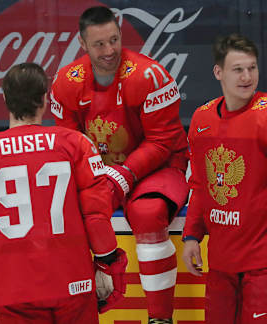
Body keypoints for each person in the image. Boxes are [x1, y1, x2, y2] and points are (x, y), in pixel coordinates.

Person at [0, 63, 128, 324]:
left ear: (5, 99)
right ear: (44, 99)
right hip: (72, 281)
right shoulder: (76, 144)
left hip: (12, 288)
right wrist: (106, 260)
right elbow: (96, 214)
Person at [50, 7, 189, 323]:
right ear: (82, 43)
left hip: (160, 167)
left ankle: (160, 318)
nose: (109, 50)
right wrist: (98, 178)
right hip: (102, 172)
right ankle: (81, 305)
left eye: (114, 40)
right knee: (64, 213)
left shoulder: (150, 75)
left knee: (148, 214)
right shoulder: (66, 81)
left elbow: (162, 142)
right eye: (99, 44)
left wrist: (123, 174)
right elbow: (70, 146)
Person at [181, 33, 267, 324]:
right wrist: (192, 235)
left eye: (253, 68)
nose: (247, 77)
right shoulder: (201, 119)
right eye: (238, 69)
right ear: (218, 72)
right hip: (222, 259)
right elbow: (201, 183)